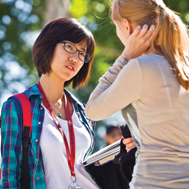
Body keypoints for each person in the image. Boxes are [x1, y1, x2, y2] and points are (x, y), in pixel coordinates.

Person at [85, 0, 189, 188]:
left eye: (116, 27)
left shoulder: (141, 67)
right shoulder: (184, 67)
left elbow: (92, 109)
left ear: (126, 25)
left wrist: (125, 57)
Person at [0, 17, 100, 189]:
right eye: (69, 47)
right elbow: (9, 179)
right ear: (49, 45)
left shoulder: (85, 113)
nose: (75, 58)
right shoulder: (17, 107)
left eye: (82, 53)